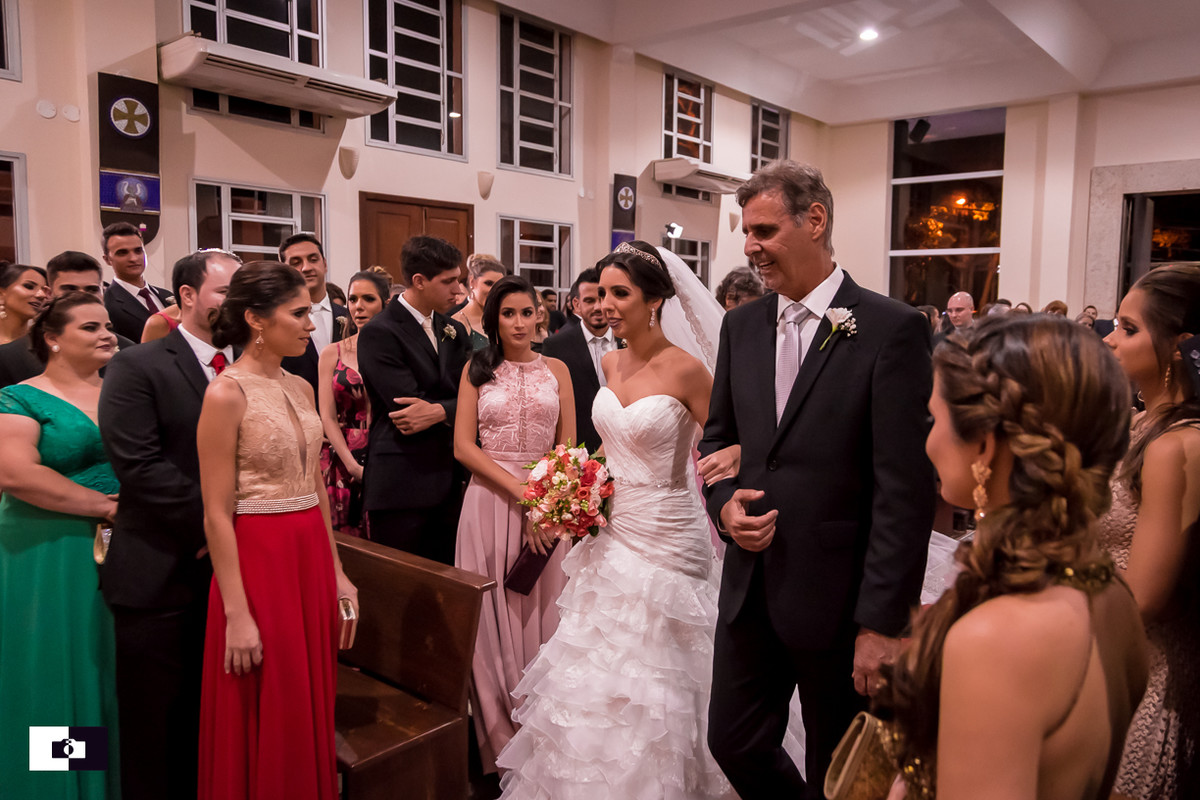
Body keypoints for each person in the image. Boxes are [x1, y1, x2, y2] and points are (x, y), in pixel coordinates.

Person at [701, 161, 935, 799]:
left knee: (841, 768)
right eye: (746, 233)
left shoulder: (891, 329)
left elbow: (905, 490)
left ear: (816, 220)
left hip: (839, 598)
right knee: (734, 740)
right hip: (751, 590)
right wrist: (724, 506)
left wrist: (882, 623)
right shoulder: (740, 326)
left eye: (765, 230)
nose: (750, 247)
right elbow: (718, 441)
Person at [496, 241, 741, 798]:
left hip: (669, 533)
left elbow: (734, 440)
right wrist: (575, 486)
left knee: (664, 671)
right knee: (599, 659)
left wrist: (733, 460)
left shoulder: (688, 370)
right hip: (611, 531)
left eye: (619, 293)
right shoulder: (609, 361)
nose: (604, 304)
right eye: (601, 293)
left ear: (655, 300)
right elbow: (610, 447)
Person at [883, 315, 1149, 800]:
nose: (927, 441)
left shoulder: (997, 639)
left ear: (984, 446)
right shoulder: (1109, 590)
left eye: (933, 419)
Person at [196, 261, 357, 800]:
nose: (312, 325)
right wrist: (236, 615)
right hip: (258, 561)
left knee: (306, 694)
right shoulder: (225, 394)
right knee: (268, 696)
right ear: (256, 319)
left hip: (309, 554)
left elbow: (312, 486)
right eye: (299, 314)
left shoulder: (300, 385)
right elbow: (217, 512)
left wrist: (337, 573)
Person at [97, 249, 240, 800]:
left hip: (226, 578)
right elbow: (139, 466)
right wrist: (216, 526)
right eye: (225, 291)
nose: (235, 304)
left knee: (205, 724)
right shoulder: (140, 365)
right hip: (160, 571)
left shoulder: (250, 367)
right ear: (186, 296)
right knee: (153, 727)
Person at [0, 292, 121, 799]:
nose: (107, 334)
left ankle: (106, 780)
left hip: (123, 548)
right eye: (90, 327)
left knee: (103, 664)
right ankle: (60, 786)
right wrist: (109, 507)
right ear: (52, 338)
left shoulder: (123, 390)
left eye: (109, 324)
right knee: (58, 668)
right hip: (49, 550)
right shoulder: (19, 398)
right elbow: (16, 473)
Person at [454, 275, 575, 772]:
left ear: (540, 315)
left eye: (528, 312)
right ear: (494, 319)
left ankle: (547, 739)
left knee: (548, 616)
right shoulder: (476, 369)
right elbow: (463, 447)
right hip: (489, 502)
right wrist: (522, 494)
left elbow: (568, 447)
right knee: (489, 620)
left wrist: (548, 504)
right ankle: (501, 742)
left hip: (547, 507)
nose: (520, 323)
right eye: (509, 314)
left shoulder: (559, 369)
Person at [1100, 264, 1200, 799]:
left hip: (1149, 671)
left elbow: (1143, 598)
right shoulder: (1140, 424)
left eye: (1129, 328)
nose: (1111, 339)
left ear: (1180, 347)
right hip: (1112, 653)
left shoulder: (1177, 445)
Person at [358, 236, 472, 563]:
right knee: (401, 587)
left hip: (448, 479)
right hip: (401, 481)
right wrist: (451, 408)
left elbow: (470, 394)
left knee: (447, 586)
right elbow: (406, 409)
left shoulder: (453, 329)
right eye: (449, 281)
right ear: (419, 282)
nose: (458, 290)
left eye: (460, 280)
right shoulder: (381, 332)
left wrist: (438, 411)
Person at [317, 267, 390, 537]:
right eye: (353, 299)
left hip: (385, 450)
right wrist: (350, 464)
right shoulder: (331, 353)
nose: (358, 307)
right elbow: (326, 415)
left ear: (385, 303)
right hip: (340, 455)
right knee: (345, 541)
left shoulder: (397, 353)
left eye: (368, 299)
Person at [0, 252, 134, 388]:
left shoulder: (130, 353)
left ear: (103, 293)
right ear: (49, 294)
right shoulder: (9, 358)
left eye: (92, 289)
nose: (82, 297)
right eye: (70, 289)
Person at [542, 268, 616, 453]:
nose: (598, 307)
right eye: (589, 301)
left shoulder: (630, 341)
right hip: (580, 452)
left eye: (602, 298)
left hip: (629, 450)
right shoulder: (556, 346)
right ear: (576, 304)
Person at [278, 233, 349, 401]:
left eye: (313, 259)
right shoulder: (278, 323)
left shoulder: (349, 317)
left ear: (324, 264)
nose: (306, 268)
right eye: (296, 263)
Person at [101, 221, 173, 342]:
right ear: (107, 260)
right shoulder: (107, 303)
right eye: (122, 253)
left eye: (138, 251)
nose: (133, 258)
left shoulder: (167, 296)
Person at [453, 253, 507, 351]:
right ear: (472, 282)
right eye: (488, 283)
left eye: (499, 285)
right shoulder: (457, 323)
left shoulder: (503, 320)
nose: (494, 290)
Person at [0, 263, 47, 343]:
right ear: (1, 294)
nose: (42, 295)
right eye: (29, 286)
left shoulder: (46, 343)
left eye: (44, 290)